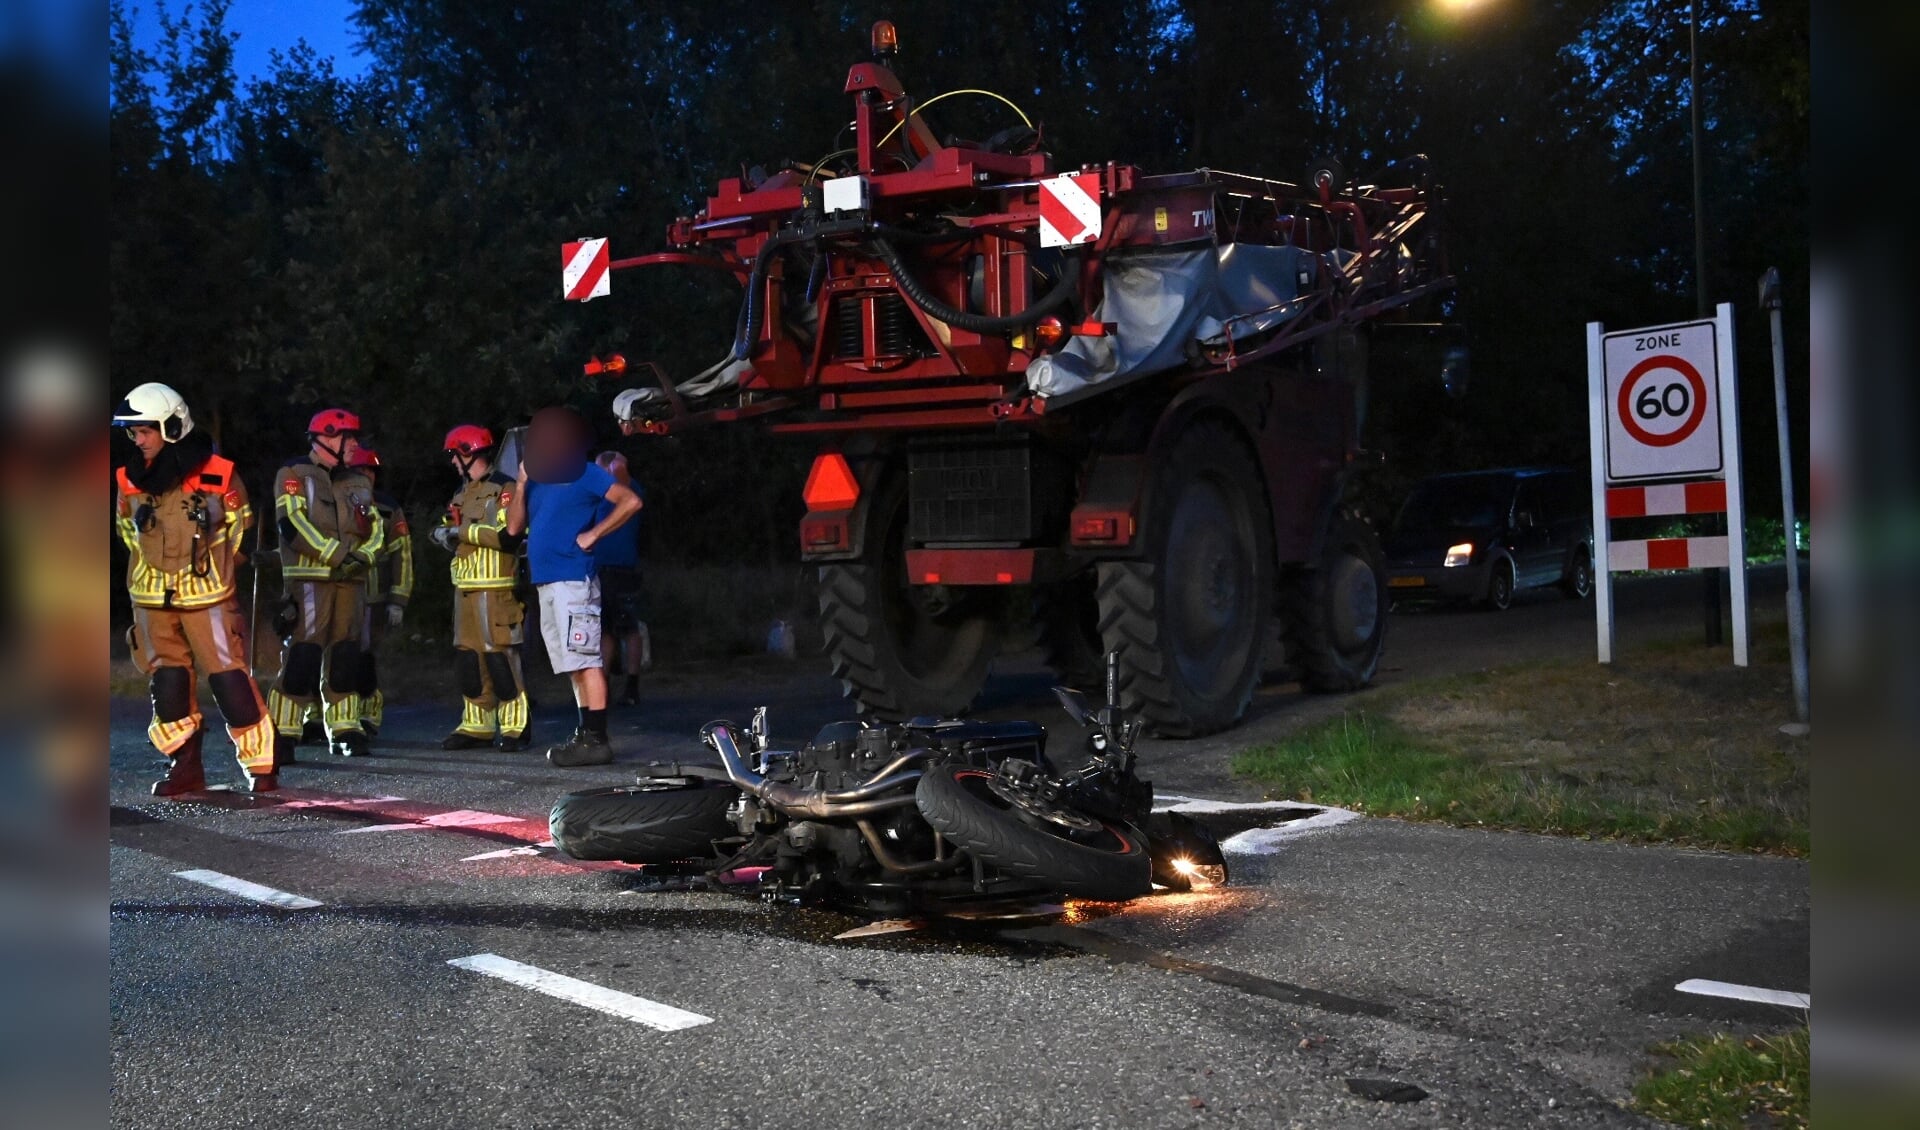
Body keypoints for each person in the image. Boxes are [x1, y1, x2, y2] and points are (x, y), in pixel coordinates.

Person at [112, 382, 278, 794]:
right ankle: (184, 764)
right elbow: (125, 530)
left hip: (207, 596)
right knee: (167, 683)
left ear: (170, 426)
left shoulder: (218, 473)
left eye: (145, 430)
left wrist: (218, 570)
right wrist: (154, 569)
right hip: (151, 597)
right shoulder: (129, 478)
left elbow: (241, 530)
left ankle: (261, 766)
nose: (138, 440)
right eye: (134, 432)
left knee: (229, 680)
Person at [505, 406, 640, 767]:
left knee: (585, 658)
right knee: (572, 663)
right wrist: (520, 484)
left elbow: (630, 501)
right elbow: (514, 527)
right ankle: (586, 734)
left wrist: (594, 533)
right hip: (547, 581)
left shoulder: (586, 473)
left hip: (573, 580)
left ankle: (597, 738)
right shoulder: (537, 477)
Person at [265, 407, 384, 761]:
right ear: (329, 438)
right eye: (350, 438)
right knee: (303, 654)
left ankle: (345, 728)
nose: (355, 446)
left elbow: (376, 527)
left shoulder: (359, 482)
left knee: (346, 655)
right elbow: (293, 525)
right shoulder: (293, 474)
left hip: (351, 581)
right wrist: (336, 555)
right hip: (310, 580)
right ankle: (283, 732)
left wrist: (364, 557)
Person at [430, 424, 531, 751]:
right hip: (465, 587)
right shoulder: (462, 492)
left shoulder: (505, 487)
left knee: (500, 656)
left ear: (467, 451)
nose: (452, 462)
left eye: (453, 455)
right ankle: (476, 725)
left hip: (497, 586)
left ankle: (516, 726)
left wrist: (461, 533)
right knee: (468, 658)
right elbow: (452, 528)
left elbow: (507, 535)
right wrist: (444, 534)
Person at [348, 447, 412, 735]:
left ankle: (368, 714)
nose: (367, 477)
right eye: (361, 471)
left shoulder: (387, 508)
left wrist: (398, 600)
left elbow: (402, 555)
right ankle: (325, 716)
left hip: (374, 597)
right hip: (341, 592)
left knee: (364, 657)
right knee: (335, 655)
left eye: (371, 471)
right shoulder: (335, 502)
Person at [591, 451, 650, 706]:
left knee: (628, 628)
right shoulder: (599, 496)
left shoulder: (628, 489)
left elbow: (622, 474)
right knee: (605, 630)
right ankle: (602, 686)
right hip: (600, 569)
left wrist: (615, 465)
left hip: (623, 569)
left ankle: (632, 685)